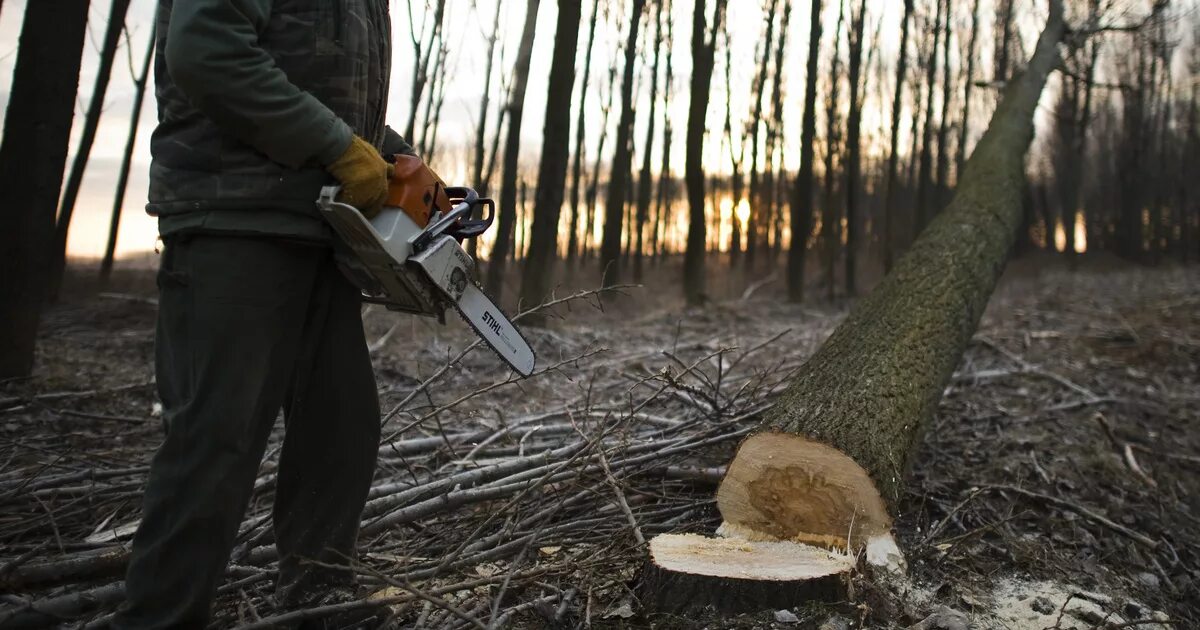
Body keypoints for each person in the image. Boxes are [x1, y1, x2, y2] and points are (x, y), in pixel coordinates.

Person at [112, 1, 409, 627]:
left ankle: (320, 600)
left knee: (342, 426)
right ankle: (161, 616)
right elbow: (208, 50)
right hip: (234, 219)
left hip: (319, 225)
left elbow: (325, 88)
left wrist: (389, 156)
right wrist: (337, 145)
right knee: (216, 438)